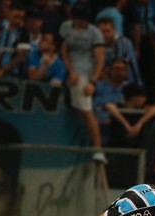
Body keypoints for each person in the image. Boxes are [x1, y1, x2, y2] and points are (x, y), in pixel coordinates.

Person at [60, 3, 106, 159]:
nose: (80, 23)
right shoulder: (66, 27)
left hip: (85, 73)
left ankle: (98, 149)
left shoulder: (94, 33)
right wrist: (70, 71)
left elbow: (100, 60)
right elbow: (64, 51)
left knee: (86, 111)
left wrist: (92, 82)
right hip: (68, 70)